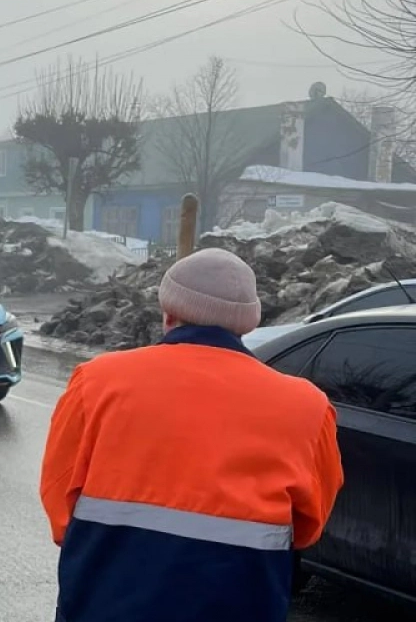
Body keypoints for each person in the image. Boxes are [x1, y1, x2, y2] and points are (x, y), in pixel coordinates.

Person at [39, 247, 343, 622]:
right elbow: (308, 526)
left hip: (104, 600)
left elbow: (59, 499)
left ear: (168, 313)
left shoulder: (97, 381)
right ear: (246, 323)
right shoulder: (308, 406)